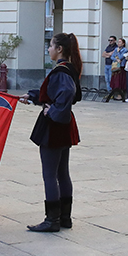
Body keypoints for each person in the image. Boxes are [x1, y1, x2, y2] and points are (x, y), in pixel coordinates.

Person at [22, 32, 82, 232]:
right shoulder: (68, 68)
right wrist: (32, 96)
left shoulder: (61, 71)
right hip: (63, 126)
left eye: (51, 46)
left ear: (59, 49)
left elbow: (66, 94)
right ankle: (64, 217)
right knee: (62, 172)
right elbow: (55, 94)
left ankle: (52, 220)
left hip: (55, 126)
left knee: (50, 174)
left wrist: (53, 111)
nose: (48, 49)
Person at [106, 38, 128, 102]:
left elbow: (122, 56)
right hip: (115, 66)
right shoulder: (116, 49)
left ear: (123, 43)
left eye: (120, 42)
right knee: (115, 81)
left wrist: (117, 54)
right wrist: (116, 59)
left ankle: (120, 95)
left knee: (120, 81)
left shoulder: (124, 50)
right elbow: (112, 57)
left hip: (121, 67)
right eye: (118, 42)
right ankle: (115, 94)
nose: (118, 43)